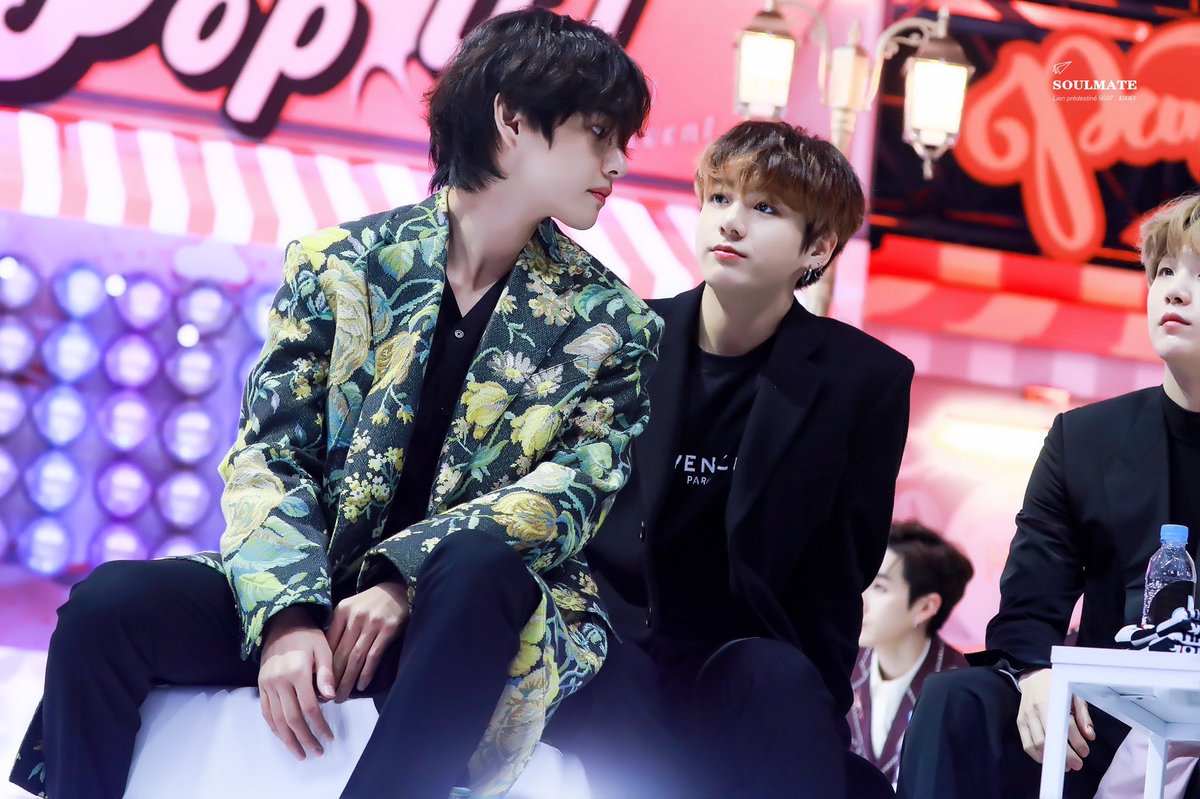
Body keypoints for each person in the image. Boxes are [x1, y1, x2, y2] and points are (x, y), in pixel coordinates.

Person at [10, 9, 661, 799]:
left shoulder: (614, 322)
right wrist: (287, 614)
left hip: (471, 624)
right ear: (513, 120)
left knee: (478, 568)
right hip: (319, 585)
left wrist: (404, 579)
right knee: (106, 607)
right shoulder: (341, 265)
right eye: (600, 133)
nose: (618, 162)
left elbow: (573, 493)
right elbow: (269, 453)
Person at [545, 120, 914, 799]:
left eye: (765, 208)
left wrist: (817, 713)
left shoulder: (864, 380)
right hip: (612, 645)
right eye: (719, 199)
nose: (731, 222)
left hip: (742, 658)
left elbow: (838, 576)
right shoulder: (622, 339)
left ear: (818, 247)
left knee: (781, 688)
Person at [896, 192, 1200, 799]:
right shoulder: (1085, 439)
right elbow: (1031, 602)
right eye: (1165, 271)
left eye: (1199, 274)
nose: (1174, 291)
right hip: (1109, 717)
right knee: (959, 698)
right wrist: (1034, 671)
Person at [849, 520, 973, 786]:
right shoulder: (843, 667)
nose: (861, 600)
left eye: (879, 587)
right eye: (863, 581)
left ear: (926, 607)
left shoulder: (961, 687)